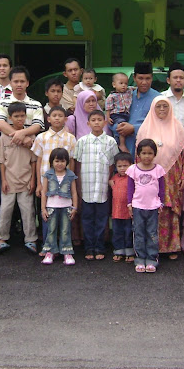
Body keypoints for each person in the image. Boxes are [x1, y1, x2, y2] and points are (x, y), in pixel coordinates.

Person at [136, 96, 184, 260]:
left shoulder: (178, 127)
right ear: (153, 108)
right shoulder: (145, 129)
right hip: (149, 175)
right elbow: (137, 156)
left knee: (169, 208)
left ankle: (172, 246)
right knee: (151, 209)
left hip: (172, 175)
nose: (162, 110)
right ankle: (152, 246)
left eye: (165, 107)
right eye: (158, 107)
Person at [74, 109, 119, 260]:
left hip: (102, 187)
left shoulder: (110, 142)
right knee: (87, 218)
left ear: (105, 122)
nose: (97, 123)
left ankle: (100, 247)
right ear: (88, 123)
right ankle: (89, 247)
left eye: (100, 120)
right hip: (86, 187)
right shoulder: (82, 141)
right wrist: (78, 185)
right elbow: (78, 164)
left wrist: (108, 181)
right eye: (93, 120)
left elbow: (112, 164)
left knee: (101, 218)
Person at [0, 103, 37, 255]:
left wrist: (32, 181)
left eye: (22, 116)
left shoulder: (31, 137)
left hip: (26, 181)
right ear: (10, 118)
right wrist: (3, 181)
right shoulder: (5, 137)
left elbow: (33, 161)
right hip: (9, 182)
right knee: (5, 210)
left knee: (28, 211)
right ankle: (2, 239)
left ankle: (30, 239)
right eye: (16, 116)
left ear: (26, 117)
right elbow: (1, 162)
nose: (19, 119)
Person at [31, 105, 77, 243]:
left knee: (64, 213)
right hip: (47, 182)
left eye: (60, 116)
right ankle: (48, 245)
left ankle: (64, 245)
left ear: (65, 119)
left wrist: (71, 180)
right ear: (48, 119)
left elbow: (72, 161)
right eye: (54, 116)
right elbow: (38, 160)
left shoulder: (70, 138)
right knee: (47, 213)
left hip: (65, 182)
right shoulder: (41, 137)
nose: (57, 118)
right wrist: (39, 183)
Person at [126, 139, 166, 273]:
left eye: (150, 153)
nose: (147, 156)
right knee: (139, 233)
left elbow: (161, 188)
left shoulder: (158, 169)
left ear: (154, 154)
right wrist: (130, 204)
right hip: (137, 206)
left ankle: (152, 259)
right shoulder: (133, 169)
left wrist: (161, 203)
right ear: (138, 154)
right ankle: (140, 258)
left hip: (153, 207)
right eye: (144, 153)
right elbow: (130, 188)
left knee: (152, 233)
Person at [40, 148, 78, 265]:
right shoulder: (48, 174)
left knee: (65, 230)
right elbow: (44, 192)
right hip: (51, 207)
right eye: (57, 161)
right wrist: (43, 209)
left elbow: (74, 192)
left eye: (62, 161)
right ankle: (50, 252)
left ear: (67, 162)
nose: (59, 164)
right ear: (51, 162)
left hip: (66, 207)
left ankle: (67, 252)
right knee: (51, 230)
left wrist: (74, 208)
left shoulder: (70, 175)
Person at [116, 62, 160, 155]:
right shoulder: (126, 95)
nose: (144, 82)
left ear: (152, 78)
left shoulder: (158, 99)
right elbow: (114, 115)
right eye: (140, 78)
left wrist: (134, 128)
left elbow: (160, 125)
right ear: (134, 78)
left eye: (147, 78)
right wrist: (119, 127)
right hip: (124, 148)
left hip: (147, 151)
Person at [0, 66, 44, 149]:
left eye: (22, 81)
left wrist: (22, 134)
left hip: (29, 146)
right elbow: (0, 123)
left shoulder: (36, 104)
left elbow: (37, 125)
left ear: (27, 83)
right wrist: (22, 137)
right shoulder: (1, 103)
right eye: (16, 81)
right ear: (10, 83)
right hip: (8, 148)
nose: (19, 84)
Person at [110, 151, 134, 262]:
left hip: (128, 212)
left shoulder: (132, 178)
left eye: (125, 166)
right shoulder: (114, 178)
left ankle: (129, 250)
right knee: (117, 232)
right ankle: (118, 249)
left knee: (129, 231)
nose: (122, 168)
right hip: (116, 212)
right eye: (119, 166)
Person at [105, 72, 134, 151]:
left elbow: (135, 88)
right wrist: (107, 117)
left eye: (126, 83)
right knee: (122, 125)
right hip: (116, 114)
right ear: (114, 85)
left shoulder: (129, 91)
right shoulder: (112, 96)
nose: (124, 85)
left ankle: (117, 140)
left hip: (126, 114)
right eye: (121, 83)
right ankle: (122, 144)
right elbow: (108, 107)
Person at [161, 62, 184, 132]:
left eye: (181, 78)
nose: (178, 80)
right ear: (168, 80)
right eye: (175, 77)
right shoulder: (160, 99)